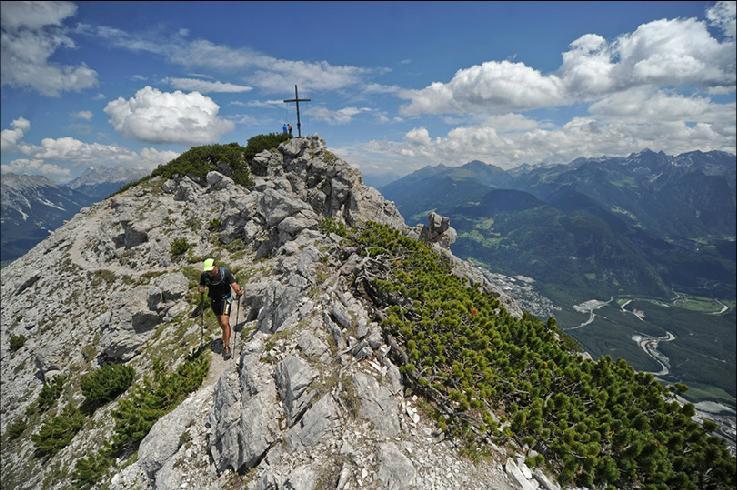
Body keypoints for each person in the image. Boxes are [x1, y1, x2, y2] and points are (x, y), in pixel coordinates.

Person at [198, 258, 243, 359]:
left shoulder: (225, 272)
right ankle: (224, 337)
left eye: (210, 270)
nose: (209, 272)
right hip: (214, 301)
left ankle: (226, 347)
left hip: (225, 299)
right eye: (207, 270)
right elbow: (201, 285)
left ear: (216, 267)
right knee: (221, 324)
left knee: (224, 322)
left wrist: (238, 291)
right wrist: (201, 289)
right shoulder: (204, 275)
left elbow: (234, 284)